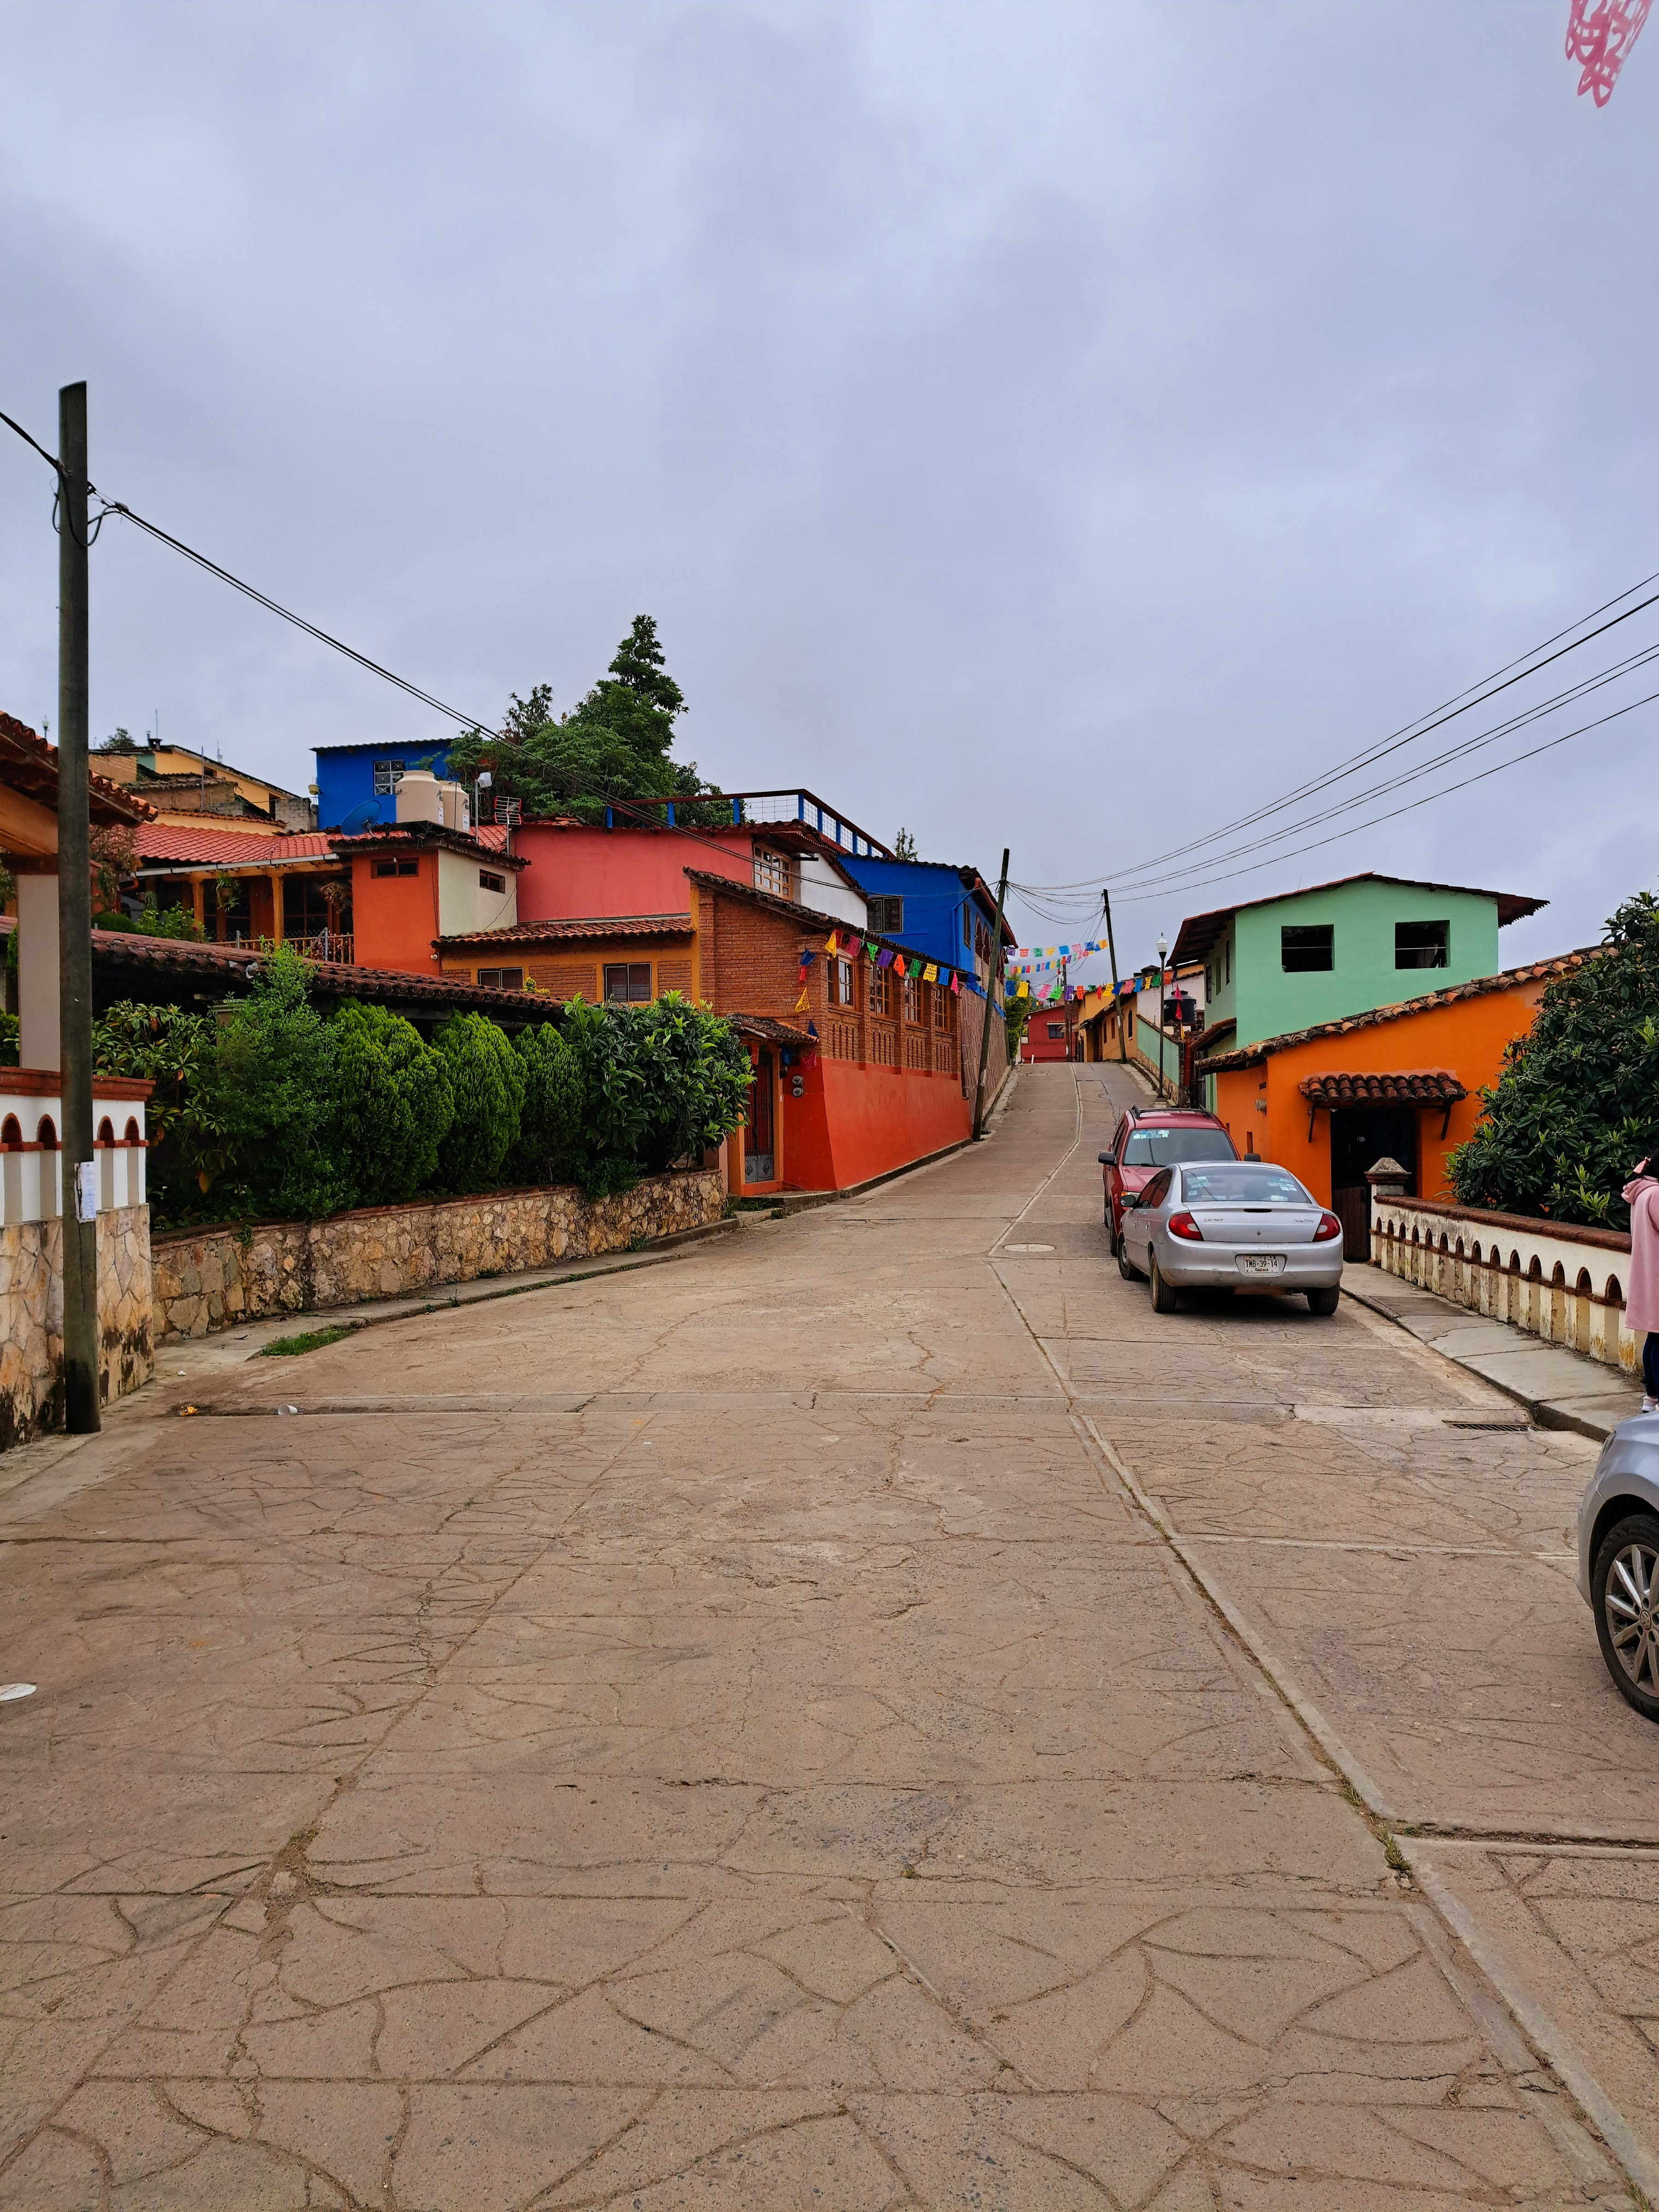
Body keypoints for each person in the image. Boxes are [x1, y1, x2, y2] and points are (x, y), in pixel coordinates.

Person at [1624, 1156, 1659, 1411]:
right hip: (1657, 1273)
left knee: (1654, 1337)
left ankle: (1651, 1397)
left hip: (1648, 1272)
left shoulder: (1641, 1193)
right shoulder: (1656, 1194)